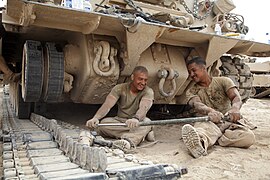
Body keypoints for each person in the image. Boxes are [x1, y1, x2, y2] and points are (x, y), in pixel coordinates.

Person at [182, 56, 256, 158]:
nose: (191, 75)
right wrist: (210, 111)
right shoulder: (191, 91)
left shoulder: (224, 81)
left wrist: (235, 109)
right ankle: (200, 144)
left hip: (228, 121)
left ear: (204, 68)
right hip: (208, 121)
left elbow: (235, 97)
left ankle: (215, 139)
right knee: (202, 131)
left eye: (194, 70)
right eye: (189, 72)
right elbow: (197, 104)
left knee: (248, 137)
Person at [86, 66, 155, 150]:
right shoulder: (119, 88)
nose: (143, 82)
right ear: (132, 77)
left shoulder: (148, 91)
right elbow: (107, 105)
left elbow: (144, 108)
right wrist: (95, 118)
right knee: (102, 124)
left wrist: (135, 118)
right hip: (120, 122)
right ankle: (141, 134)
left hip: (137, 122)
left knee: (147, 122)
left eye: (145, 80)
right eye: (140, 79)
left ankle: (129, 141)